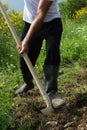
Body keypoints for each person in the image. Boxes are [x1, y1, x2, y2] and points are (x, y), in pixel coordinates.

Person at [15, 0, 65, 108]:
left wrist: (26, 40)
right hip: (29, 23)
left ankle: (51, 93)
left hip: (51, 24)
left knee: (52, 52)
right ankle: (28, 83)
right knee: (24, 59)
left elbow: (40, 14)